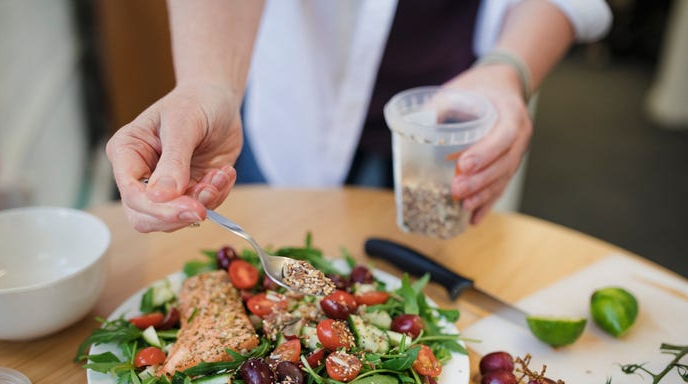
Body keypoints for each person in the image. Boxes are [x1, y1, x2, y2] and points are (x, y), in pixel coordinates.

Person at [106, 0, 612, 233]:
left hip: (450, 109)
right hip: (298, 95)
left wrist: (508, 69)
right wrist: (207, 82)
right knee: (287, 231)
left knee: (433, 271)